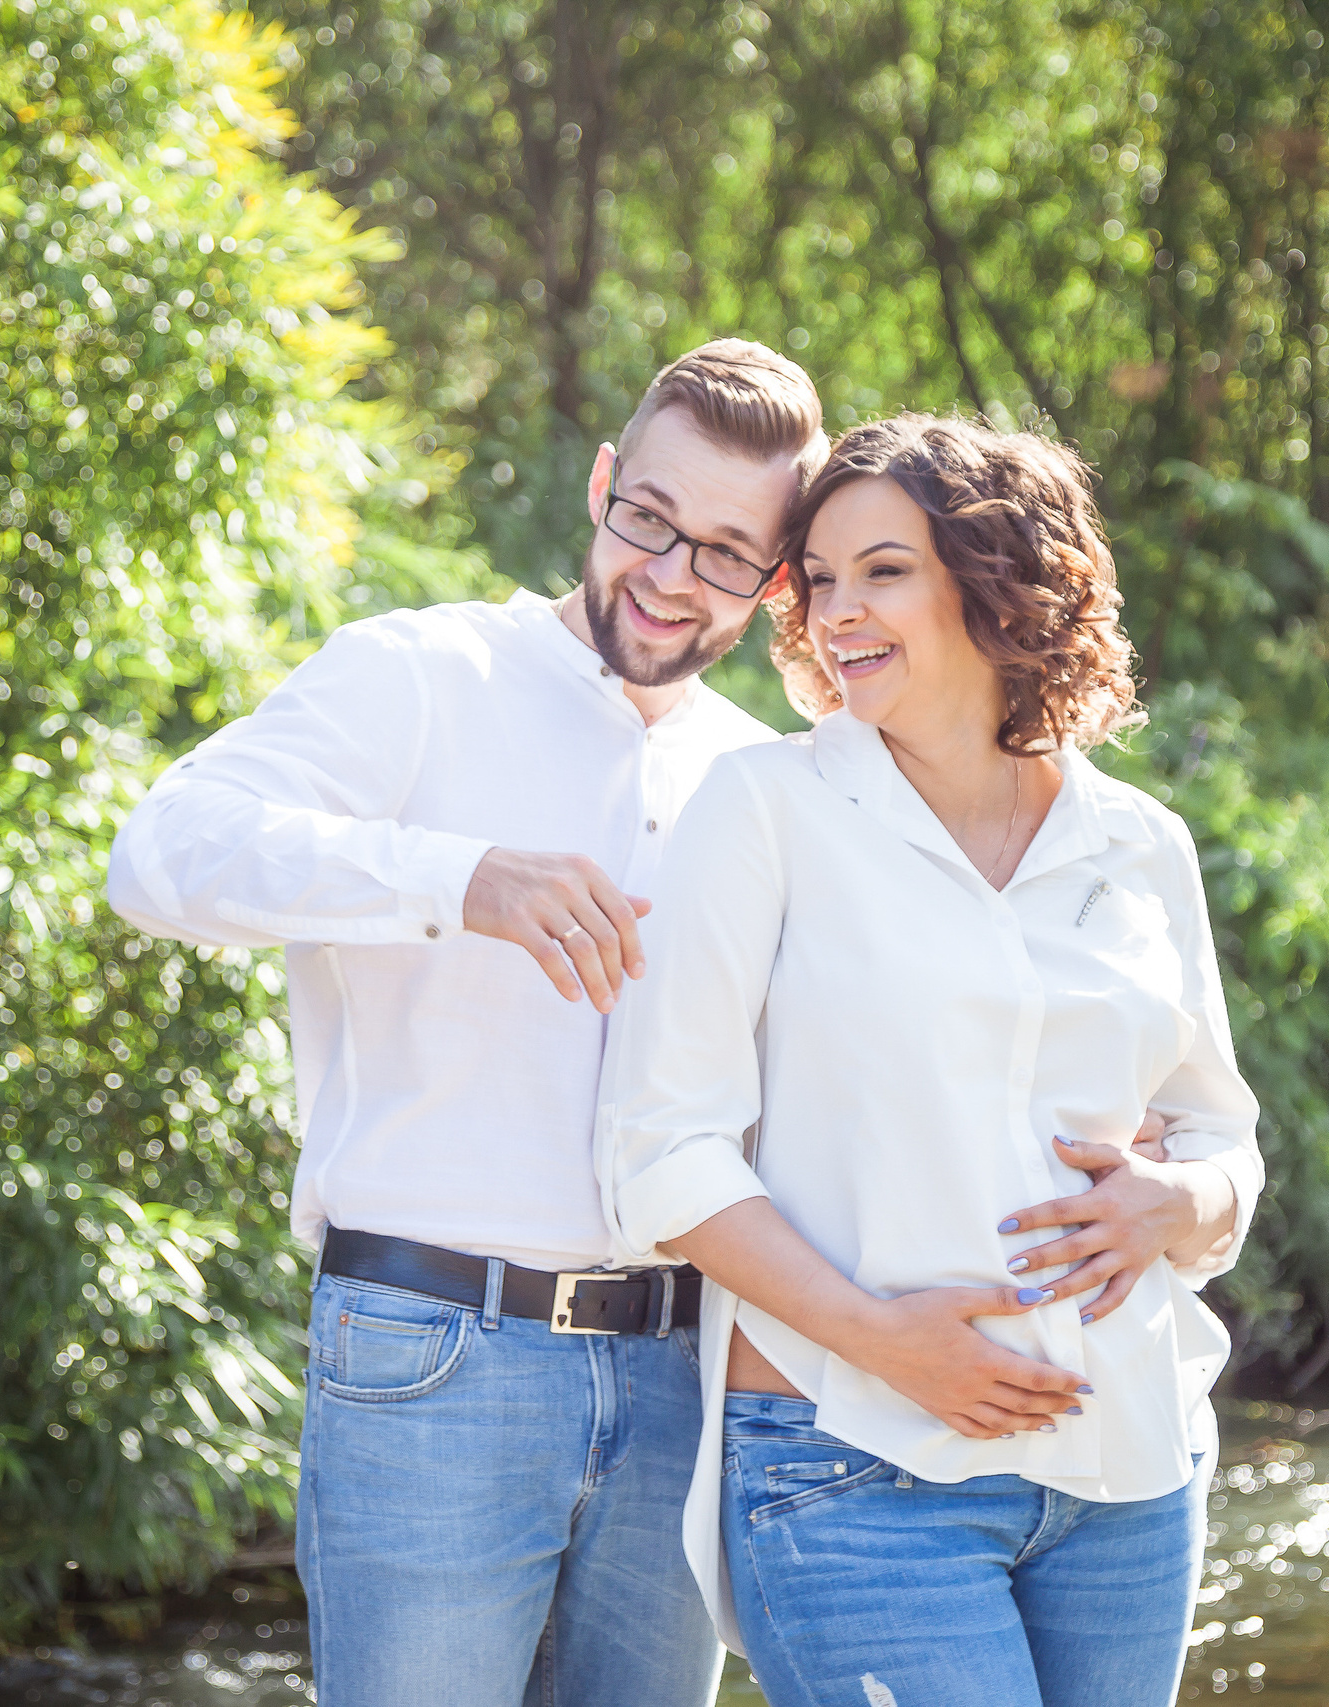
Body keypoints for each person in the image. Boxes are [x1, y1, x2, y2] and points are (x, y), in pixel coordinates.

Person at [104, 340, 828, 1705]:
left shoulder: (761, 780)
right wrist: (458, 879)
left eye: (728, 553)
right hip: (432, 1353)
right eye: (651, 520)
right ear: (604, 483)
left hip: (683, 1372)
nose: (672, 575)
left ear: (777, 578)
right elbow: (161, 855)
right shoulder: (418, 673)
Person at [595, 415, 1264, 1707]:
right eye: (823, 578)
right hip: (850, 1458)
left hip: (1128, 1470)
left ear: (997, 580)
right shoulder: (766, 810)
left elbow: (1220, 1134)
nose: (840, 609)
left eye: (884, 570)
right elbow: (659, 1153)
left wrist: (1184, 1202)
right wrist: (886, 1340)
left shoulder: (1141, 845)